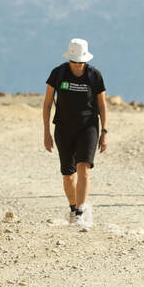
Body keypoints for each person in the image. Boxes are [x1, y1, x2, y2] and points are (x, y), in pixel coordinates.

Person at [42, 38, 107, 228]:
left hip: (88, 127)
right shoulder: (59, 73)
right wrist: (46, 133)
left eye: (81, 62)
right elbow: (47, 105)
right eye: (74, 62)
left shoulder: (94, 75)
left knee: (84, 169)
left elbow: (102, 105)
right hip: (63, 128)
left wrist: (104, 131)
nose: (78, 66)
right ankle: (72, 208)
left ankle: (80, 212)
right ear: (69, 59)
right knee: (68, 174)